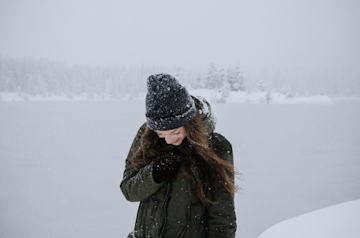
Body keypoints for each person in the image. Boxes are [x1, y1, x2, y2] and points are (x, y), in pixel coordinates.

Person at [120, 73, 239, 238]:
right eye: (161, 134)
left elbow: (222, 219)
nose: (169, 139)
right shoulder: (146, 136)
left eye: (175, 131)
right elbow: (128, 190)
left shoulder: (216, 148)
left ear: (189, 122)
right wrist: (154, 174)